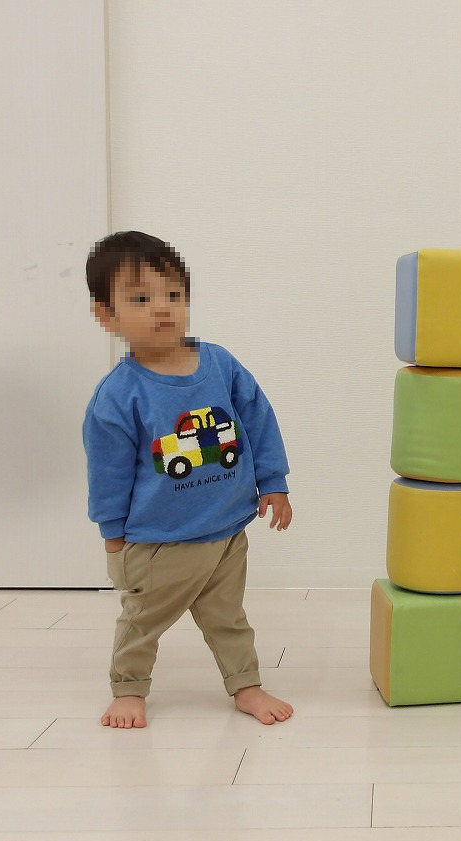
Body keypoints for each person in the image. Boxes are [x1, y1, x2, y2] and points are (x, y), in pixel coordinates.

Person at [82, 231, 295, 727]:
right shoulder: (119, 395)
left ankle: (246, 685)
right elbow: (108, 473)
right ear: (106, 316)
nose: (163, 307)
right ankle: (129, 689)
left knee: (229, 618)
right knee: (142, 621)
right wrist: (113, 537)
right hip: (160, 542)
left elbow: (259, 420)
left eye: (174, 294)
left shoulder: (220, 364)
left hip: (227, 531)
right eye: (141, 298)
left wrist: (274, 482)